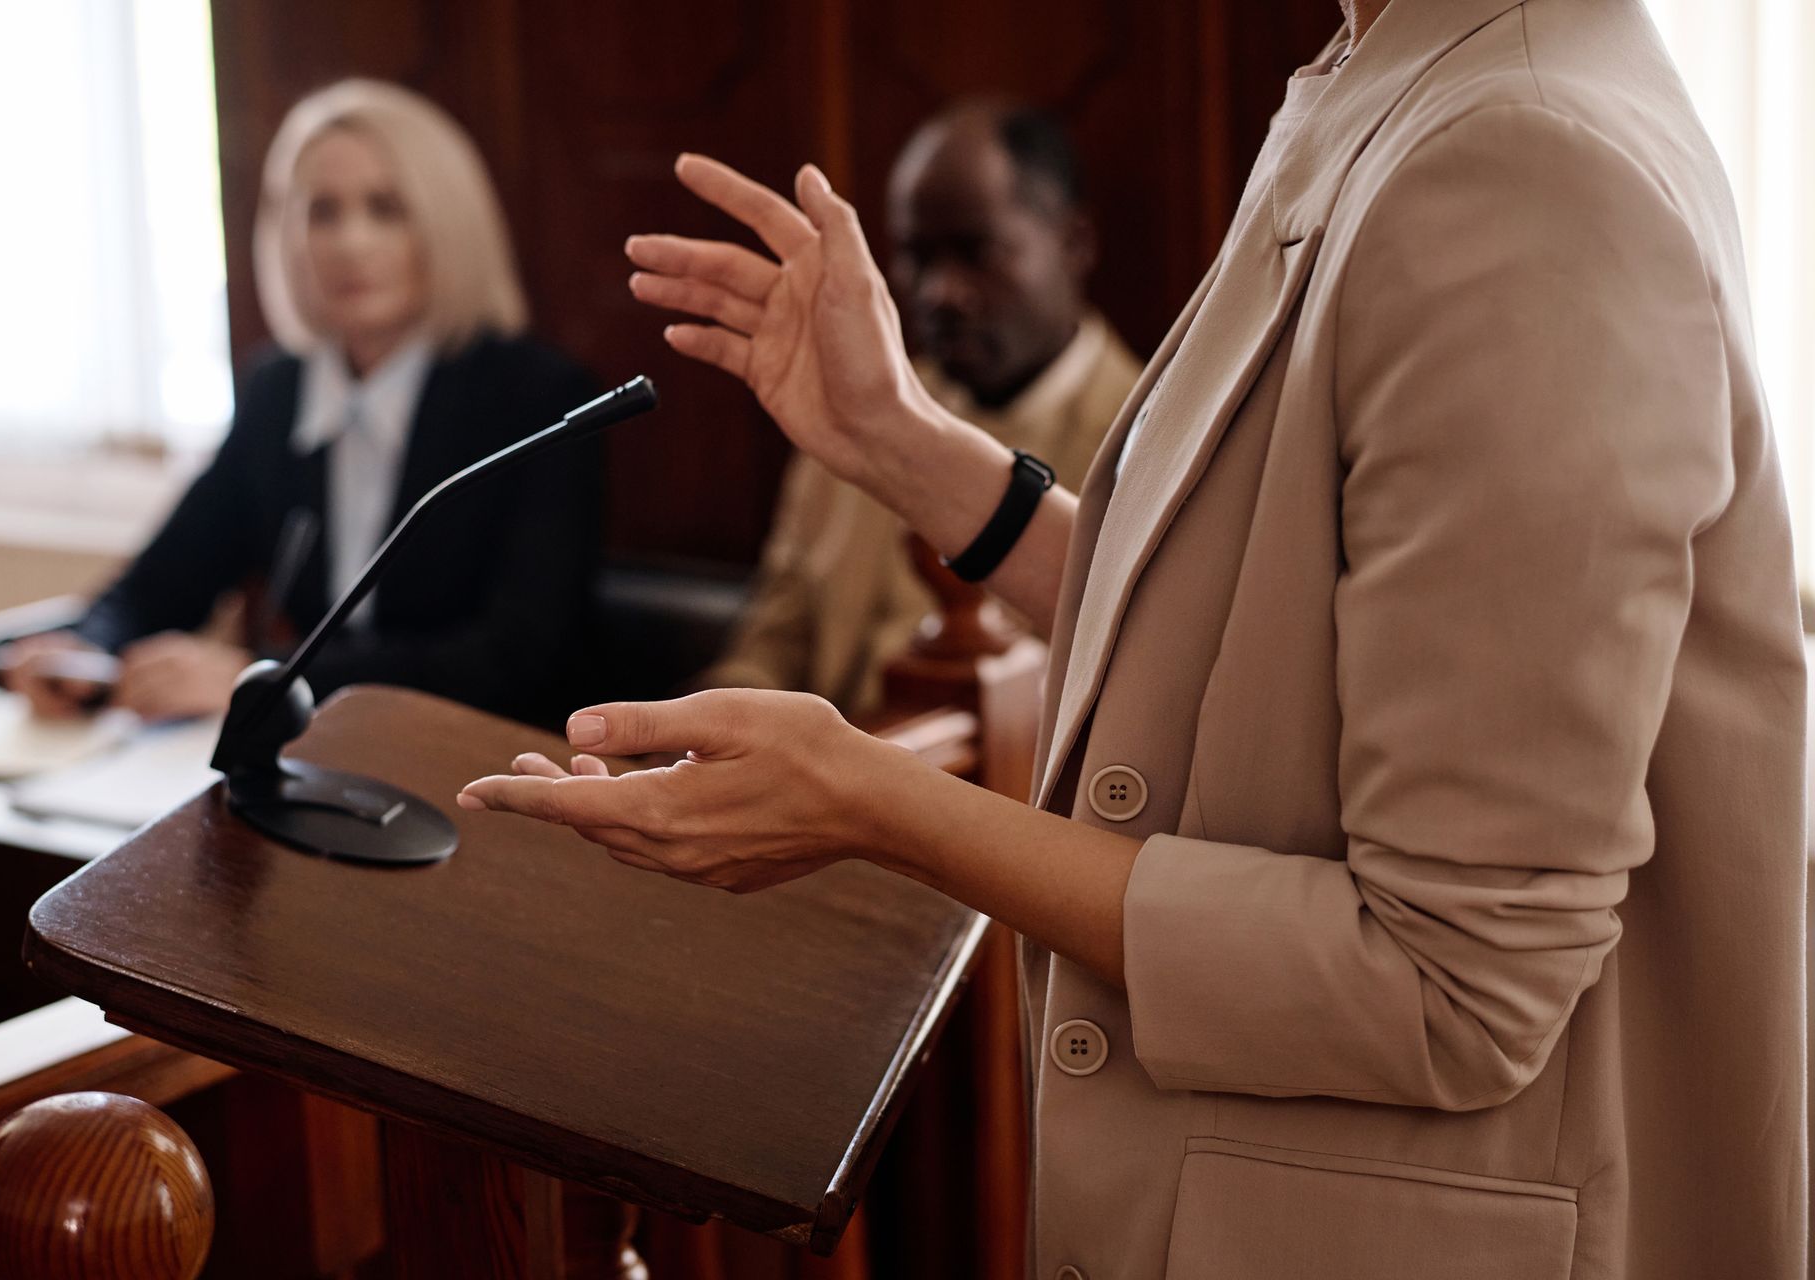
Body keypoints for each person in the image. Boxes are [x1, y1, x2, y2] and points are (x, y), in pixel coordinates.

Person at [463, 0, 1807, 1275]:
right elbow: (1250, 640)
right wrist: (904, 444)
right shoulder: (1393, 78)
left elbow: (1451, 982)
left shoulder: (1523, 162)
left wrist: (878, 803)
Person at [3, 79, 602, 728]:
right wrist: (86, 648)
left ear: (445, 223)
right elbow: (165, 579)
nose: (350, 242)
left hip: (479, 764)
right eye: (322, 211)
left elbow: (516, 659)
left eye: (386, 208)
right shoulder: (279, 389)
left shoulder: (538, 398)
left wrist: (263, 677)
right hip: (315, 757)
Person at [699, 101, 1141, 715]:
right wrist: (700, 738)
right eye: (918, 256)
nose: (941, 292)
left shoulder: (1147, 445)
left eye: (975, 251)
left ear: (1073, 242)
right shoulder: (852, 405)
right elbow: (776, 636)